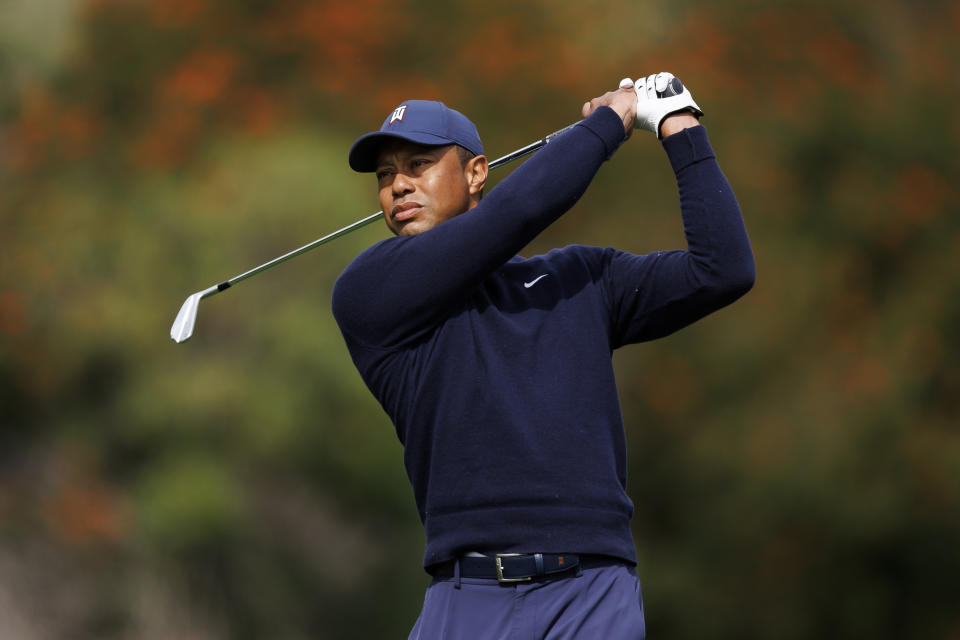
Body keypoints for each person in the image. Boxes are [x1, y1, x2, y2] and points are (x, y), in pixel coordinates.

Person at [332, 73, 755, 639]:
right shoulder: (371, 292)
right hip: (466, 597)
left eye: (418, 165)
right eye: (386, 176)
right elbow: (513, 215)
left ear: (477, 172)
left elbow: (721, 270)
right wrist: (607, 124)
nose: (399, 187)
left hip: (592, 595)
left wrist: (678, 123)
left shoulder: (578, 278)